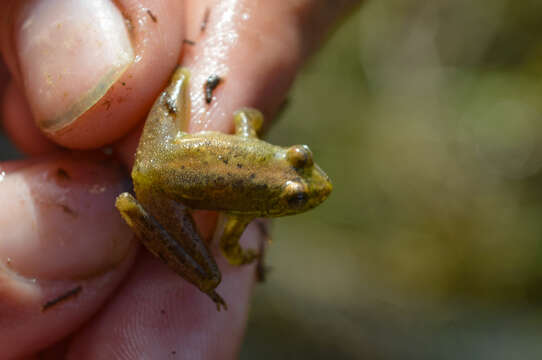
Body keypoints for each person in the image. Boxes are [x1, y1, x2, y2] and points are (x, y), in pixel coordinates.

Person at [0, 0, 360, 358]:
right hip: (162, 191)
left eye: (295, 193)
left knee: (183, 77)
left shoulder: (254, 143)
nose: (313, 184)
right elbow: (231, 245)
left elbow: (246, 116)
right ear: (292, 155)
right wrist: (239, 251)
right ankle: (133, 209)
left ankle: (171, 85)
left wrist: (250, 126)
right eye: (300, 164)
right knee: (211, 276)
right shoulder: (249, 208)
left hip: (162, 149)